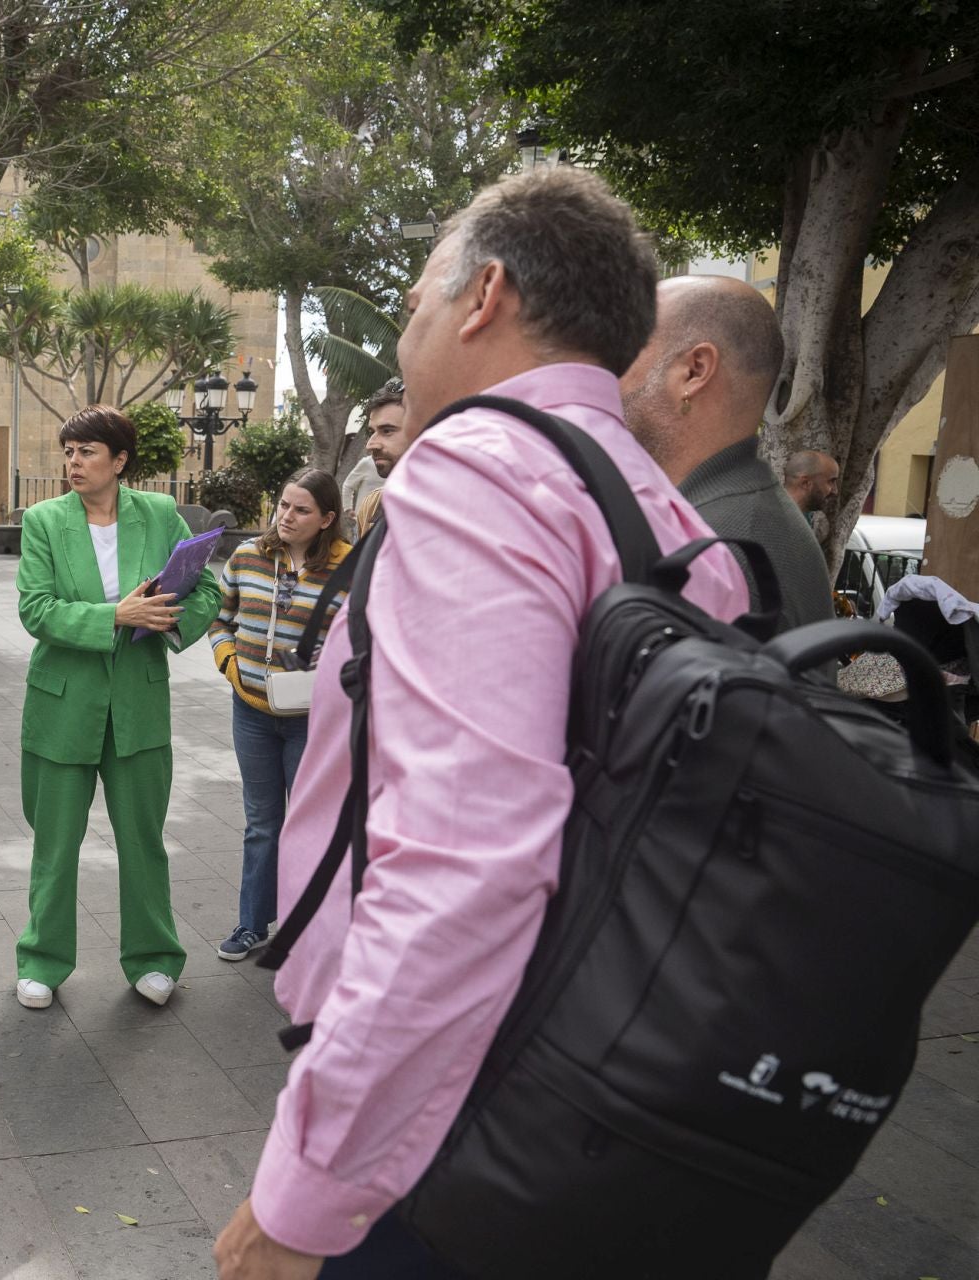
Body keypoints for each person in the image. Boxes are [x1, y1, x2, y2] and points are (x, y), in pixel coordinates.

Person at [212, 169, 748, 1279]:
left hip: (455, 1116)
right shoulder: (665, 510)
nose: (407, 327)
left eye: (415, 298)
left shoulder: (477, 469)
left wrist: (309, 1192)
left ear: (484, 295)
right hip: (602, 1070)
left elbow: (464, 859)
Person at [12, 405, 221, 1011]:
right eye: (68, 451)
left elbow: (204, 585)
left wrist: (168, 622)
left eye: (87, 452)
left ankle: (154, 957)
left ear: (120, 460)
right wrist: (116, 617)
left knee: (143, 839)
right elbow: (35, 609)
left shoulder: (158, 513)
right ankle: (43, 961)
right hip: (62, 707)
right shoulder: (44, 521)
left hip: (139, 704)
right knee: (55, 843)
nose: (73, 463)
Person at [621, 275, 833, 630]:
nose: (609, 370)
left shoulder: (718, 551)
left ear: (695, 371)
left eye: (628, 348)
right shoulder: (725, 519)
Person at [208, 467, 349, 962]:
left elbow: (362, 641)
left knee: (310, 824)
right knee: (262, 822)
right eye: (284, 505)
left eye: (302, 509)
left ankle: (308, 928)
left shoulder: (348, 569)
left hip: (314, 716)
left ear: (327, 518)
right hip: (250, 710)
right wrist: (229, 660)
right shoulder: (248, 557)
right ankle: (252, 925)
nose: (287, 516)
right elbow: (219, 617)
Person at [353, 378, 413, 536]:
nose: (371, 445)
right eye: (372, 432)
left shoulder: (455, 508)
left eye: (387, 431)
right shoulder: (371, 507)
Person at [784, 448, 840, 522]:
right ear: (805, 483)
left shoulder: (802, 518)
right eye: (831, 481)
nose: (835, 491)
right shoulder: (776, 521)